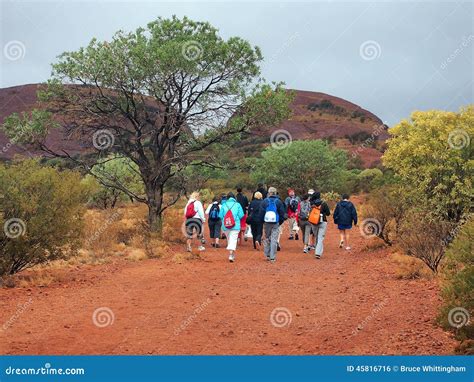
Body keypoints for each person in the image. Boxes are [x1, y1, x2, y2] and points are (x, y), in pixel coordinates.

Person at [258, 187, 286, 263]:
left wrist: (262, 221)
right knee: (274, 239)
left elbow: (261, 213)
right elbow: (282, 213)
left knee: (267, 238)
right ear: (275, 193)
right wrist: (279, 222)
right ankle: (273, 257)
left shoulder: (264, 201)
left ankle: (267, 255)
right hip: (275, 222)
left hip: (267, 222)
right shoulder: (279, 202)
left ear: (269, 193)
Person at [219, 192, 244, 262]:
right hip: (235, 225)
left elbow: (220, 216)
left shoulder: (224, 205)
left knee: (230, 239)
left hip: (226, 225)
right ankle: (231, 254)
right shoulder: (237, 205)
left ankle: (232, 254)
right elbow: (241, 215)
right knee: (233, 239)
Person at [308, 191, 331, 259]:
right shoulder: (323, 203)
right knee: (320, 238)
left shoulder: (310, 203)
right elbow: (328, 213)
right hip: (322, 222)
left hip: (313, 222)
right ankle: (318, 253)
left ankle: (318, 251)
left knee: (317, 236)